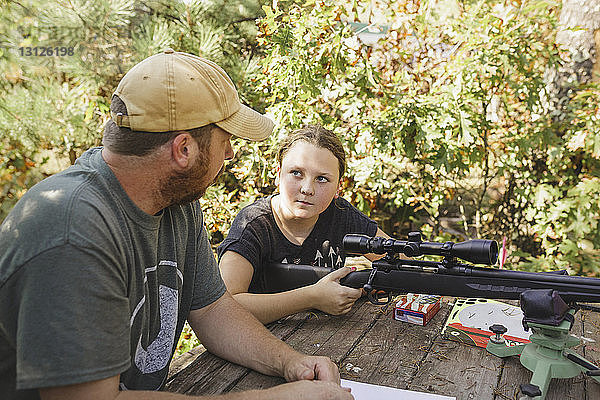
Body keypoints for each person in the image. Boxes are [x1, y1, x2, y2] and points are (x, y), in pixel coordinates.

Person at [0, 50, 354, 400]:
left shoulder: (176, 204)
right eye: (225, 139)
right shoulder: (72, 232)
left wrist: (292, 363)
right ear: (184, 149)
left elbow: (214, 311)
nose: (230, 153)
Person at [218, 125, 390, 324]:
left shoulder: (340, 213)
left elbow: (398, 263)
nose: (307, 189)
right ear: (278, 174)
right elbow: (224, 306)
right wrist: (312, 297)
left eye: (322, 179)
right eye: (297, 173)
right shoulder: (253, 225)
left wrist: (360, 287)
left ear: (338, 188)